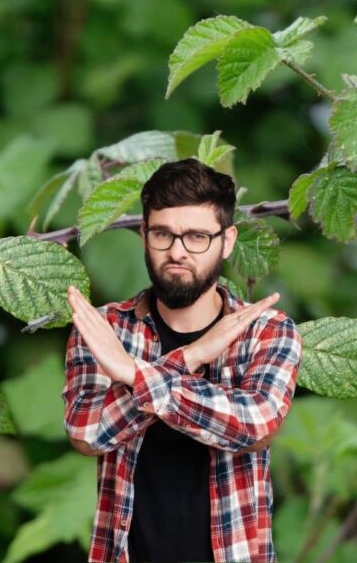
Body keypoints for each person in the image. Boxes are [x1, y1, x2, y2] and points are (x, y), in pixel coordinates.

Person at [62, 158, 302, 563]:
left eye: (196, 237)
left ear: (227, 241)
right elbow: (86, 434)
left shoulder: (265, 331)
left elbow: (255, 425)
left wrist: (132, 375)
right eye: (163, 234)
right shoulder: (105, 329)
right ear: (143, 235)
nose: (177, 251)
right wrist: (189, 357)